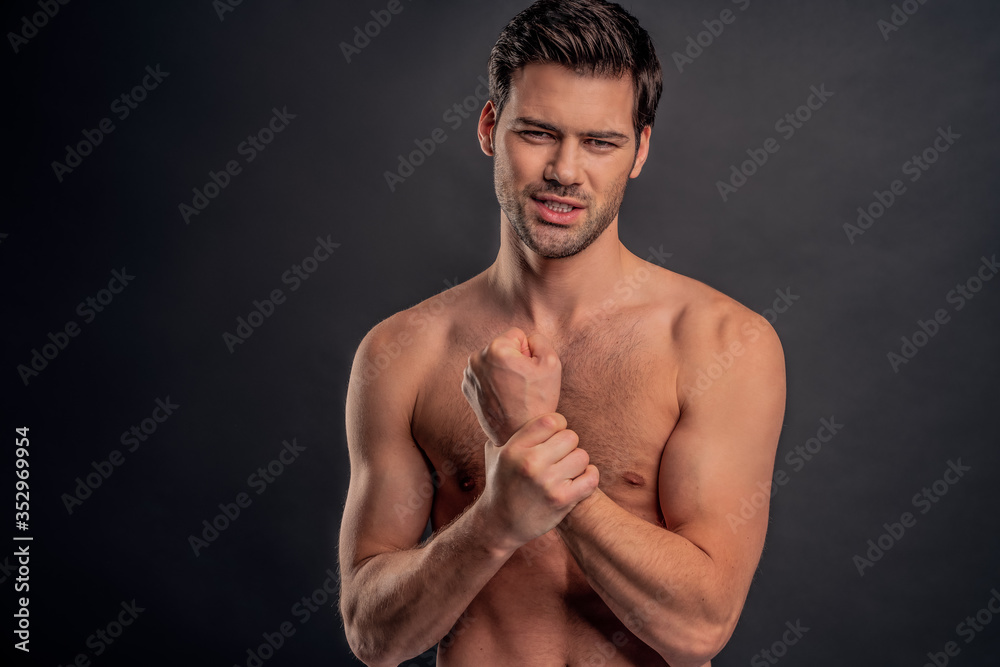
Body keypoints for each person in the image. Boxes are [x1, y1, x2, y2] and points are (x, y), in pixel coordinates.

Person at [338, 1, 786, 664]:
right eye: (538, 133)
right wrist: (493, 520)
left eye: (600, 142)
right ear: (491, 127)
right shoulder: (403, 352)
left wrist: (534, 457)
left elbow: (700, 627)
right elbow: (373, 634)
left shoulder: (721, 344)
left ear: (639, 150)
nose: (565, 171)